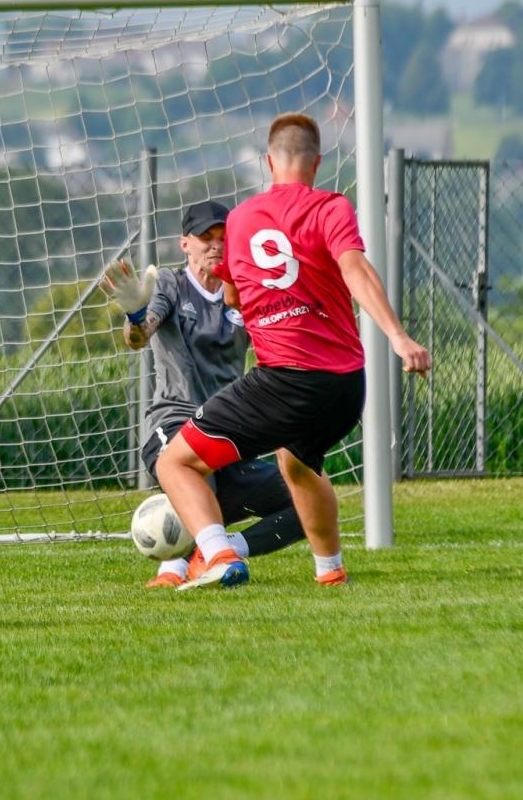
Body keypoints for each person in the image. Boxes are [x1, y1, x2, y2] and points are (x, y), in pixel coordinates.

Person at [154, 113, 431, 590]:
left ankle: (217, 553)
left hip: (284, 379)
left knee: (174, 462)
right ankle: (330, 570)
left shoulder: (241, 219)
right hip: (346, 387)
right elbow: (355, 269)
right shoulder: (332, 207)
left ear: (268, 161)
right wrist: (396, 336)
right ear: (317, 163)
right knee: (298, 462)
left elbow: (239, 297)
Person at [102, 200, 308, 588]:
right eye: (205, 238)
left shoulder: (247, 295)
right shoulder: (169, 284)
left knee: (308, 494)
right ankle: (178, 567)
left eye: (223, 238)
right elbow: (139, 337)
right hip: (173, 423)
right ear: (185, 244)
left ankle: (216, 551)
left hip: (229, 429)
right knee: (197, 459)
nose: (215, 246)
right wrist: (133, 315)